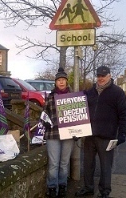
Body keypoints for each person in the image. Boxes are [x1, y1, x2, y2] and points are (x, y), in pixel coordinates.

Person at [75, 66, 126, 198]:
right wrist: (75, 129)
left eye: (103, 76)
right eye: (99, 76)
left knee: (105, 166)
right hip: (89, 135)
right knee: (87, 164)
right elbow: (79, 111)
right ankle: (88, 187)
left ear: (109, 76)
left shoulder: (117, 92)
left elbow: (124, 114)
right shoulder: (90, 92)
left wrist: (123, 133)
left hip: (106, 136)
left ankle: (105, 191)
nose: (100, 78)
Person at [43, 67, 74, 198]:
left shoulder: (73, 98)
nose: (61, 82)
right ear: (55, 82)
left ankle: (62, 186)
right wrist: (45, 121)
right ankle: (51, 188)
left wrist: (78, 131)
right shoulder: (50, 97)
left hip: (68, 134)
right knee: (54, 164)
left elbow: (78, 117)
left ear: (66, 82)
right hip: (53, 134)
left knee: (64, 163)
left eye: (63, 80)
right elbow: (44, 114)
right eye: (59, 80)